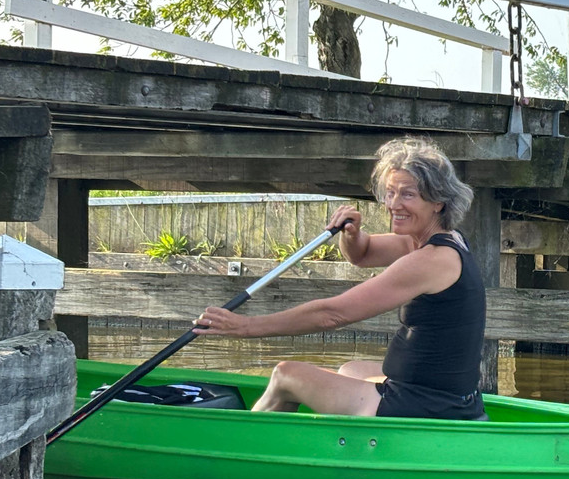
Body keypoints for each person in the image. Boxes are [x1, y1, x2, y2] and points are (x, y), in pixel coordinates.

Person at [193, 137, 487, 420]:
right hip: (439, 393)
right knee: (351, 369)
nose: (394, 204)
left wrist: (245, 326)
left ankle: (246, 448)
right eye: (390, 192)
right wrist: (352, 235)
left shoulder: (430, 260)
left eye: (407, 194)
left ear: (438, 202)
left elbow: (332, 315)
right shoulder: (442, 240)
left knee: (286, 375)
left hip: (424, 404)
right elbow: (363, 254)